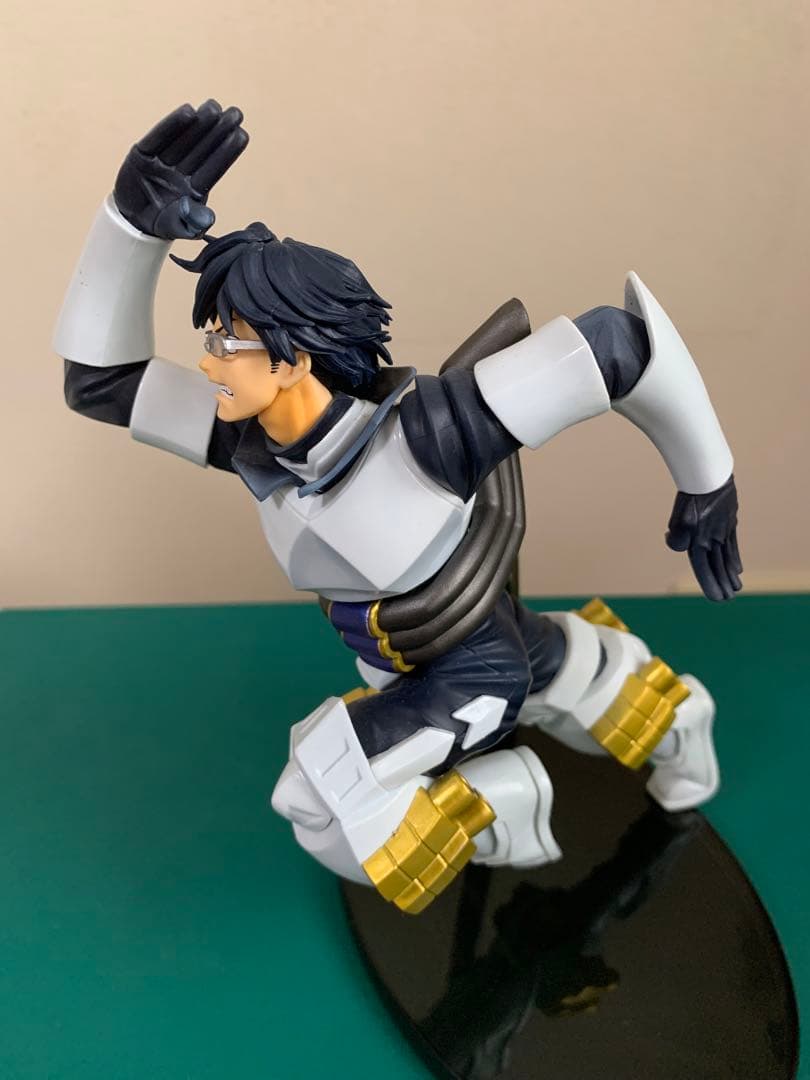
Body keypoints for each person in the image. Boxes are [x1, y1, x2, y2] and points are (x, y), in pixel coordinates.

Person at [54, 101, 742, 915]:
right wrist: (127, 227)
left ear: (292, 358)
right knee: (559, 673)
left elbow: (620, 346)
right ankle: (673, 715)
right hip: (422, 649)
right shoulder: (246, 441)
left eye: (227, 343)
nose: (208, 363)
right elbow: (101, 384)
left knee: (318, 794)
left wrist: (708, 479)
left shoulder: (431, 431)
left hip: (468, 667)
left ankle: (501, 803)